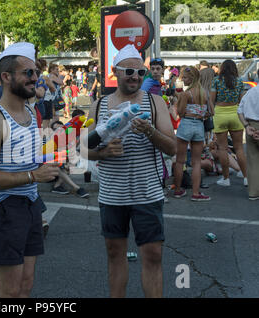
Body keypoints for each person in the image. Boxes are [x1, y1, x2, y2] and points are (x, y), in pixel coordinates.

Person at [82, 44, 176, 298]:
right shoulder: (99, 104)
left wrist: (150, 131)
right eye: (129, 71)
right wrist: (102, 153)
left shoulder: (155, 102)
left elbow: (173, 147)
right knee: (114, 253)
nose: (135, 76)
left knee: (153, 255)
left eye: (140, 72)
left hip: (148, 192)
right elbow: (81, 148)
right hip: (113, 194)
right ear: (115, 72)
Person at [0, 42, 60, 298]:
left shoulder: (29, 111)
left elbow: (28, 157)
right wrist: (34, 176)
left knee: (25, 284)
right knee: (9, 290)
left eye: (35, 72)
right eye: (28, 73)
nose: (35, 78)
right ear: (6, 76)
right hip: (3, 209)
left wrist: (57, 147)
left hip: (30, 203)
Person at [172, 66, 212, 201]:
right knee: (196, 162)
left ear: (192, 79)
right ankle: (196, 193)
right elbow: (211, 111)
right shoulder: (205, 93)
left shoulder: (186, 94)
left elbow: (180, 113)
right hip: (199, 126)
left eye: (185, 77)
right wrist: (200, 114)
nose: (182, 80)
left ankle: (177, 190)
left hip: (186, 125)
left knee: (180, 160)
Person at [211, 59, 247, 187]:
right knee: (239, 148)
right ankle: (246, 177)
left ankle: (226, 179)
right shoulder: (239, 81)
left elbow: (211, 100)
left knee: (222, 148)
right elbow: (242, 101)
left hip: (220, 114)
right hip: (235, 114)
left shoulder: (216, 81)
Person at [49, 120, 89, 198]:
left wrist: (67, 163)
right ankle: (77, 188)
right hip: (48, 171)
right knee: (57, 163)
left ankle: (57, 186)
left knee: (69, 162)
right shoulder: (47, 142)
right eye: (55, 129)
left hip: (60, 171)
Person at [237, 71, 259, 200]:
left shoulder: (250, 92)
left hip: (251, 126)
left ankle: (253, 192)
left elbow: (240, 111)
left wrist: (246, 126)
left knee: (253, 160)